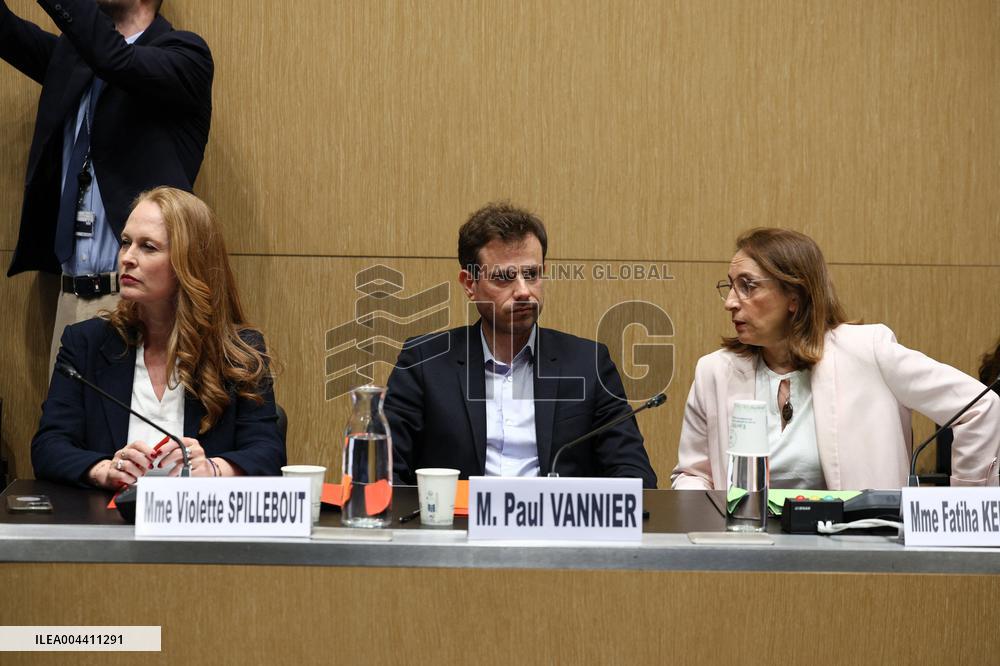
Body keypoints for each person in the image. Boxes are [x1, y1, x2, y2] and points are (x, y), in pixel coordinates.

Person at [672, 228, 1000, 491]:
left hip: (853, 562)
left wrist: (966, 503)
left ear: (794, 297)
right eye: (729, 287)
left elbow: (979, 407)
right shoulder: (715, 371)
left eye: (748, 287)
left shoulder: (867, 351)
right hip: (749, 560)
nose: (730, 302)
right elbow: (693, 474)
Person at [0, 0, 213, 371]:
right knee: (63, 428)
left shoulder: (185, 55)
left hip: (140, 302)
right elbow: (8, 33)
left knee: (137, 429)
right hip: (70, 297)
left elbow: (115, 60)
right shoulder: (75, 60)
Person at [384, 202, 658, 488]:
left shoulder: (588, 363)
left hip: (557, 527)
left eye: (531, 274)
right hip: (458, 527)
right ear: (469, 284)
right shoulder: (424, 362)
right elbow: (384, 470)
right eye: (504, 277)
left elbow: (634, 475)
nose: (524, 291)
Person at [31, 188, 285, 488]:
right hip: (110, 525)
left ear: (188, 262)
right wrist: (105, 470)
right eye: (125, 243)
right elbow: (48, 448)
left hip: (202, 527)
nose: (127, 258)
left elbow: (269, 454)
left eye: (148, 247)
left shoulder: (239, 352)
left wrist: (212, 469)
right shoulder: (85, 344)